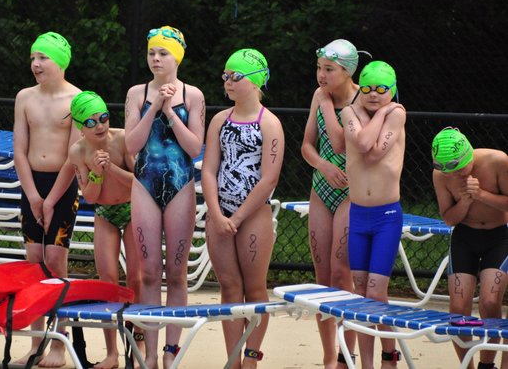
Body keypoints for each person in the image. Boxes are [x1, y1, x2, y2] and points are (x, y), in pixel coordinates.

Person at [124, 25, 205, 369]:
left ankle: (172, 353)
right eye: (151, 53)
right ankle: (150, 355)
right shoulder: (137, 93)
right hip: (144, 183)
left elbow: (194, 147)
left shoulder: (193, 96)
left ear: (177, 57)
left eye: (163, 53)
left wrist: (170, 111)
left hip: (181, 185)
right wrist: (154, 104)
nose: (156, 59)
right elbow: (131, 144)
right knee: (148, 273)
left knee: (175, 272)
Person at [202, 48, 284, 369]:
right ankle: (233, 357)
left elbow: (269, 178)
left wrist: (235, 217)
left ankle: (251, 357)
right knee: (229, 286)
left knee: (254, 287)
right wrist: (216, 213)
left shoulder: (270, 124)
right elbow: (209, 169)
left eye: (235, 76)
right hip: (220, 214)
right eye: (225, 76)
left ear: (255, 82)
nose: (228, 82)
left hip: (252, 216)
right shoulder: (220, 120)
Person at [13, 31, 81, 368]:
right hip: (32, 186)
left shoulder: (77, 99)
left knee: (55, 261)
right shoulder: (25, 97)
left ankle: (59, 343)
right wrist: (33, 195)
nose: (36, 64)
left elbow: (74, 155)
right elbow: (19, 151)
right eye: (33, 58)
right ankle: (37, 342)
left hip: (63, 186)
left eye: (43, 58)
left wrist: (51, 199)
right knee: (34, 261)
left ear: (61, 62)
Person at [301, 39, 367, 369]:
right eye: (319, 68)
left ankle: (346, 354)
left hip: (352, 192)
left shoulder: (362, 98)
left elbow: (341, 144)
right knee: (322, 276)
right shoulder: (318, 95)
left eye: (329, 70)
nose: (321, 76)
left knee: (342, 272)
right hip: (322, 187)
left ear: (347, 71)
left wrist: (327, 105)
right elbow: (307, 147)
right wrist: (322, 167)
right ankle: (329, 356)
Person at [66, 90, 143, 369]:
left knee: (136, 278)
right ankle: (112, 353)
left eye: (103, 118)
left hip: (132, 210)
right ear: (79, 126)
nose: (99, 125)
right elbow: (91, 197)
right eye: (90, 122)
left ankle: (138, 344)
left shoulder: (122, 139)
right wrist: (97, 172)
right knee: (108, 281)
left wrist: (110, 169)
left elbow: (139, 183)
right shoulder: (77, 151)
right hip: (105, 213)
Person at [340, 60, 406, 369]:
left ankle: (389, 357)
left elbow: (377, 152)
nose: (373, 95)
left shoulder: (398, 113)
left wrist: (382, 113)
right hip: (358, 216)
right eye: (366, 88)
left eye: (382, 90)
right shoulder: (348, 113)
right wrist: (380, 113)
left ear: (392, 90)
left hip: (386, 216)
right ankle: (366, 363)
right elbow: (365, 143)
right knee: (361, 292)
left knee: (377, 291)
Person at [431, 127, 508, 369]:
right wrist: (464, 201)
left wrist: (482, 195)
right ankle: (468, 366)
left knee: (489, 301)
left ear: (469, 156)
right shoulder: (441, 175)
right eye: (449, 172)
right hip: (465, 237)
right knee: (457, 310)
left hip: (499, 237)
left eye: (459, 169)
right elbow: (449, 218)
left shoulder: (497, 161)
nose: (455, 176)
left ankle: (487, 364)